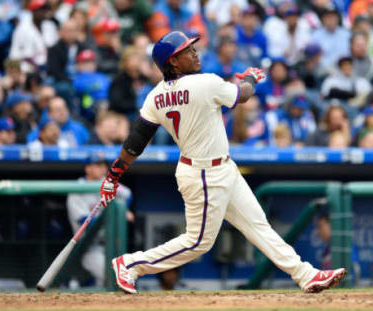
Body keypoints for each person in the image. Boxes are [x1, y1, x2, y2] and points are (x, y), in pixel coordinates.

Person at [100, 31, 347, 294]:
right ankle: (130, 263)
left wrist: (114, 175)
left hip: (219, 168)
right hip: (204, 172)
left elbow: (136, 142)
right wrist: (251, 76)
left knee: (258, 225)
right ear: (172, 62)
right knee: (197, 243)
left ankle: (306, 275)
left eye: (193, 48)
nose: (195, 53)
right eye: (187, 51)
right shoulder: (205, 83)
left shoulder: (155, 96)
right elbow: (244, 94)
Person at [67, 155, 133, 287]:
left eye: (103, 165)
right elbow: (85, 222)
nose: (102, 168)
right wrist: (112, 217)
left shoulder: (107, 182)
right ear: (88, 168)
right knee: (112, 276)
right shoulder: (77, 189)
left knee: (107, 282)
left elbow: (128, 194)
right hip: (89, 247)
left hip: (111, 246)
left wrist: (123, 210)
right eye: (97, 165)